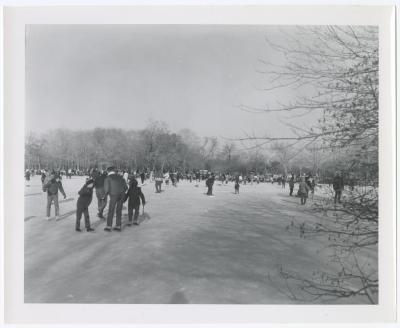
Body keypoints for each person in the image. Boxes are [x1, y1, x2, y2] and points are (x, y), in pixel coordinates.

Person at [103, 167, 128, 232]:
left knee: (111, 210)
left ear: (108, 171)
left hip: (114, 195)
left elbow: (106, 189)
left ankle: (109, 226)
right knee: (119, 210)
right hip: (122, 194)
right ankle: (118, 226)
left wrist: (104, 196)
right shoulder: (121, 177)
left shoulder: (108, 178)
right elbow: (126, 187)